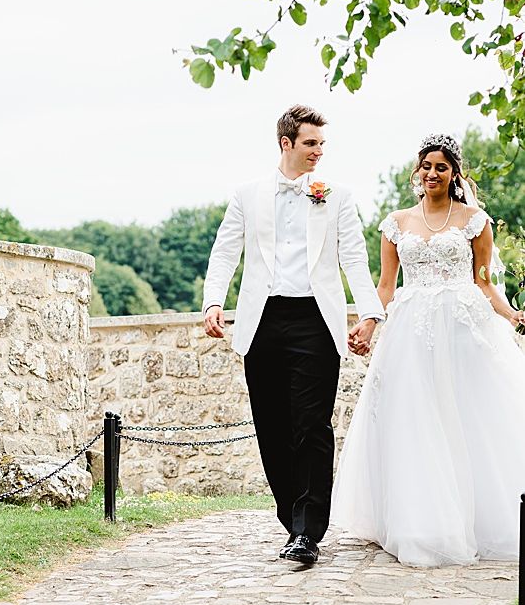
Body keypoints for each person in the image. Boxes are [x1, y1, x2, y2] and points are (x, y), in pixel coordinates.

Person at [331, 133, 525, 567]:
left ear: (454, 173)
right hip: (412, 331)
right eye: (426, 167)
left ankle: (478, 520)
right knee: (416, 420)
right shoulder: (396, 222)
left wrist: (511, 316)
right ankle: (421, 522)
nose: (432, 174)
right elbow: (385, 287)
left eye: (441, 167)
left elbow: (484, 281)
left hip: (462, 326)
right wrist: (366, 323)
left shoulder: (475, 220)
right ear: (417, 173)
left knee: (470, 416)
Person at [203, 104, 385, 564]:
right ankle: (291, 518)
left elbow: (354, 259)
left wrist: (369, 312)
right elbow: (225, 253)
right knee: (272, 428)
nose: (318, 152)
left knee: (313, 428)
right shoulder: (247, 195)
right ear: (286, 143)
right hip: (261, 322)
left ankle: (308, 531)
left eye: (322, 144)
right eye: (310, 143)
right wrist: (212, 302)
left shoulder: (337, 196)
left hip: (315, 323)